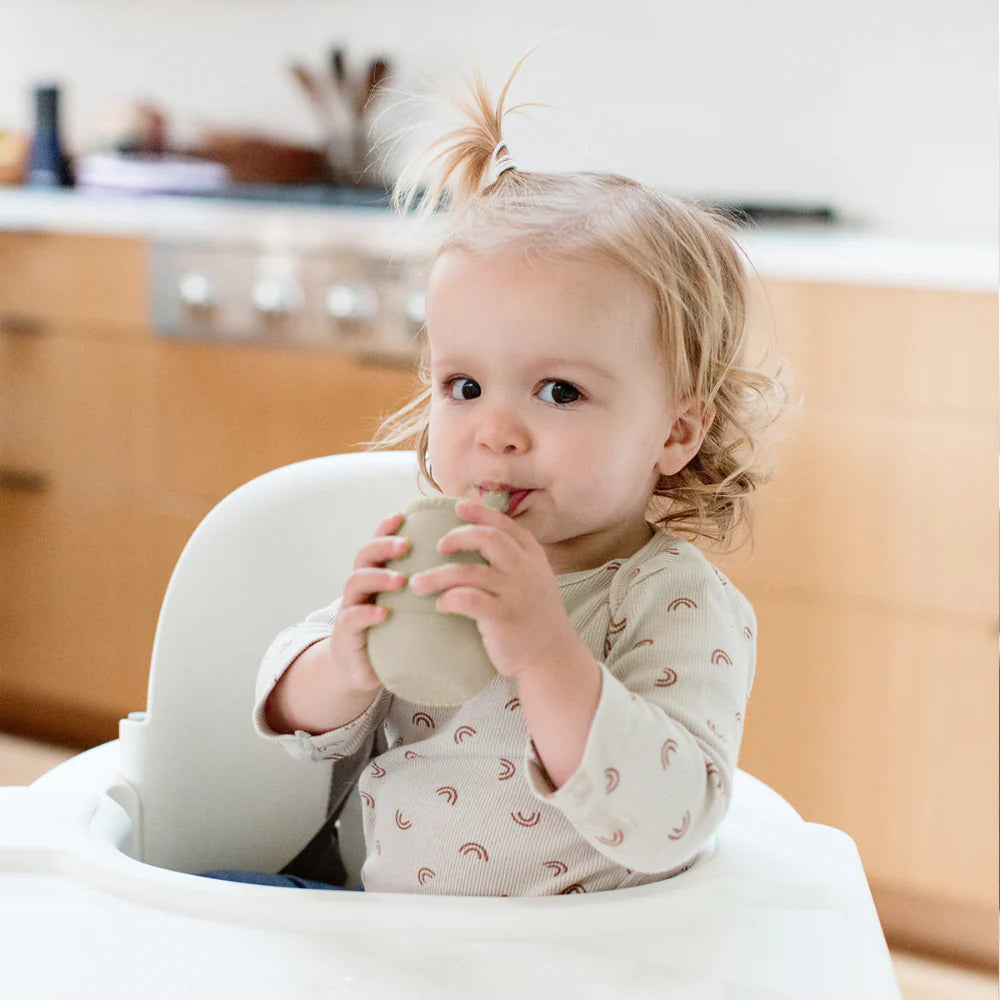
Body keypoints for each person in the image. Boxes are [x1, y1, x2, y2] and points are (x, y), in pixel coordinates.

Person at [246, 57, 786, 896]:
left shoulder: (666, 600)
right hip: (391, 946)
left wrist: (543, 650)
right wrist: (343, 664)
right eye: (464, 387)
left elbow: (669, 816)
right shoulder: (435, 552)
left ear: (676, 430)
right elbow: (293, 726)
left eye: (559, 391)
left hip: (580, 966)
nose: (494, 432)